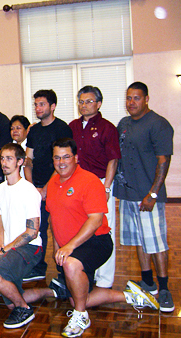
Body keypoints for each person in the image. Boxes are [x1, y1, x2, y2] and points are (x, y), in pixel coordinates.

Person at [25, 138, 158, 337]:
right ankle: (130, 297)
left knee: (71, 267)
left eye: (66, 157)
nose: (61, 162)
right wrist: (56, 248)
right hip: (69, 248)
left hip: (96, 241)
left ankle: (81, 317)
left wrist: (69, 246)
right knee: (80, 298)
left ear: (76, 158)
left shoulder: (89, 181)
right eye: (57, 158)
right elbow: (55, 219)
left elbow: (96, 220)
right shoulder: (52, 183)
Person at [114, 82, 175, 313]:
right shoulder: (124, 124)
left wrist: (153, 194)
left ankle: (165, 288)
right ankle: (148, 282)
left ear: (146, 99)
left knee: (156, 242)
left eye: (136, 98)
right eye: (128, 98)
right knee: (140, 240)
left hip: (148, 196)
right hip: (128, 195)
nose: (131, 102)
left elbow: (163, 161)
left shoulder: (158, 125)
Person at [0, 143, 42, 329]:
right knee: (9, 302)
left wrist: (7, 248)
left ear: (20, 162)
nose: (4, 163)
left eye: (9, 158)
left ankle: (24, 309)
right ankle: (52, 291)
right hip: (9, 248)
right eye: (2, 158)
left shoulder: (29, 190)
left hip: (30, 248)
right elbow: (0, 223)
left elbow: (32, 232)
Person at [69, 86, 121, 289]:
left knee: (104, 229)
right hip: (77, 184)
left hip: (100, 182)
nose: (84, 105)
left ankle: (105, 279)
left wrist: (106, 187)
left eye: (88, 101)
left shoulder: (107, 127)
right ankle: (85, 273)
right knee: (82, 228)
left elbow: (113, 160)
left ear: (98, 104)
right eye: (81, 101)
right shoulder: (72, 126)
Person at [24, 89, 73, 281]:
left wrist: (47, 188)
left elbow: (63, 163)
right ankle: (38, 266)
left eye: (42, 104)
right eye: (36, 104)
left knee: (61, 228)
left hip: (58, 186)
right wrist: (31, 186)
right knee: (39, 227)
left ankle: (64, 270)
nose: (38, 108)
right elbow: (28, 159)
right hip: (36, 187)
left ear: (52, 106)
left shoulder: (62, 129)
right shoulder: (34, 130)